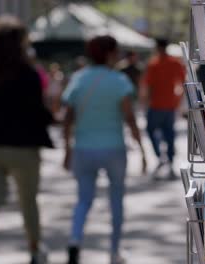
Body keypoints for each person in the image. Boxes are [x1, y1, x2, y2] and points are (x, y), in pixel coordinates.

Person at [0, 16, 53, 264]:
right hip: (23, 148)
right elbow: (39, 112)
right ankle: (34, 250)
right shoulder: (28, 74)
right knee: (28, 201)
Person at [62, 35, 147, 264]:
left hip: (83, 149)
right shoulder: (119, 81)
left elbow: (68, 118)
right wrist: (142, 150)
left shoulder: (78, 79)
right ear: (110, 53)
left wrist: (67, 150)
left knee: (83, 200)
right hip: (114, 149)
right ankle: (114, 251)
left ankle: (74, 240)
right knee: (116, 200)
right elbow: (129, 118)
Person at [140, 39, 186, 180]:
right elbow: (184, 83)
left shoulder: (154, 63)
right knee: (169, 134)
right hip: (167, 106)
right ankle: (168, 162)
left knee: (155, 131)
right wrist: (178, 100)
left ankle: (163, 159)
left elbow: (146, 86)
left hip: (157, 106)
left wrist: (144, 103)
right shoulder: (173, 63)